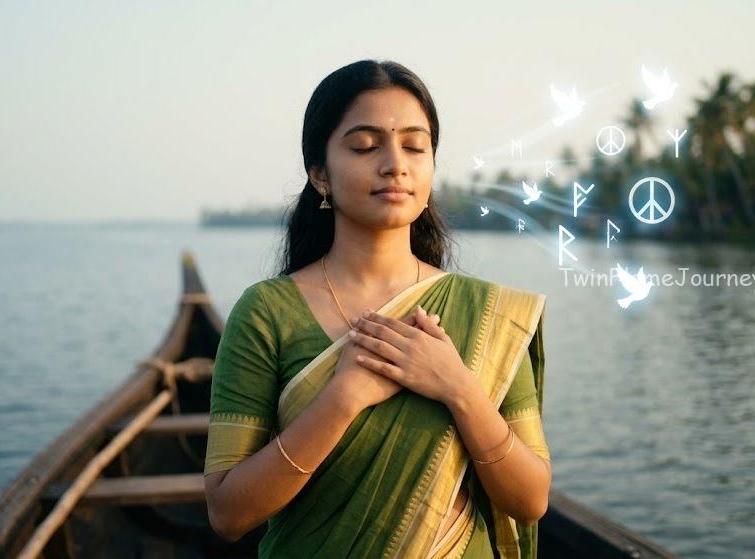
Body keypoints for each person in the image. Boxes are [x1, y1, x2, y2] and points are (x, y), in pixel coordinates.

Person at [204, 59, 551, 558]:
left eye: (415, 145)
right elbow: (228, 514)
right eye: (365, 146)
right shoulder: (268, 313)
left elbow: (531, 500)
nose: (396, 163)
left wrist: (458, 388)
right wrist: (341, 399)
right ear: (320, 174)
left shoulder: (489, 313)